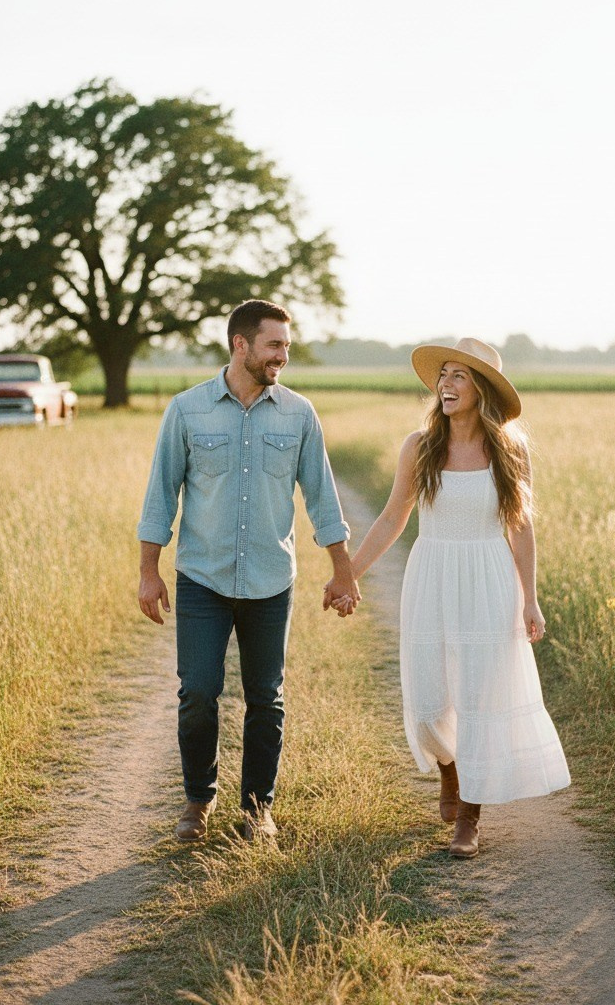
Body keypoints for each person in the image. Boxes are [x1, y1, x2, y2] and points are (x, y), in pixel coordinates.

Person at [335, 337, 570, 858]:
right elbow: (395, 516)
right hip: (432, 573)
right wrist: (350, 572)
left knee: (480, 697)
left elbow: (521, 527)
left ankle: (470, 817)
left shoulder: (510, 450)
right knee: (428, 699)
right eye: (443, 374)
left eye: (459, 375)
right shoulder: (419, 447)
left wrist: (530, 599)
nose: (446, 383)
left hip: (489, 576)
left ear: (481, 388)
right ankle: (450, 768)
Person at [137, 299, 360, 844]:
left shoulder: (299, 414)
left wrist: (343, 572)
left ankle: (259, 810)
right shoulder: (187, 411)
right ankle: (197, 801)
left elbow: (323, 499)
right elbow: (160, 496)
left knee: (266, 698)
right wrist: (149, 571)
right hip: (202, 580)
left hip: (269, 581)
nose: (283, 355)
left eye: (285, 344)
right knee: (198, 692)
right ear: (241, 345)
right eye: (274, 345)